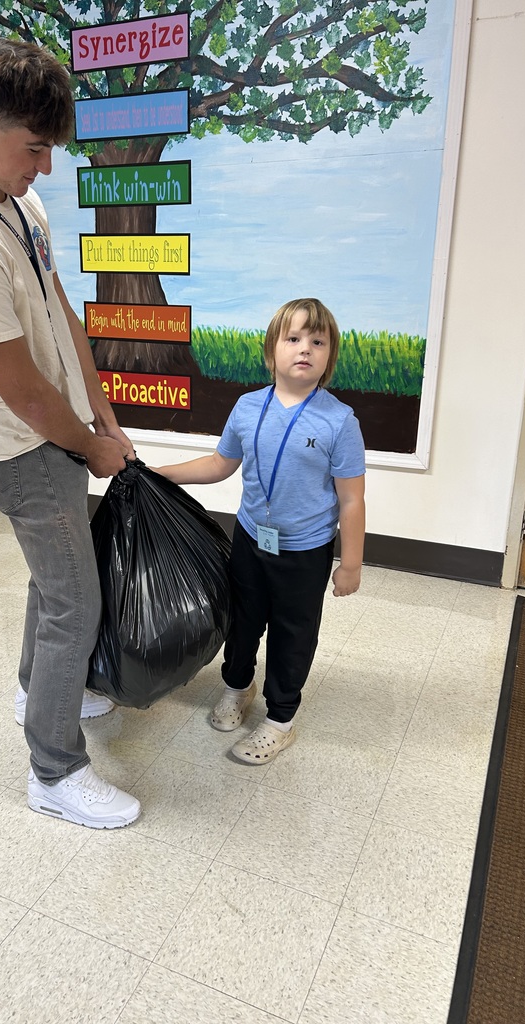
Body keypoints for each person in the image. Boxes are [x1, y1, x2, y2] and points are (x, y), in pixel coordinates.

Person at [0, 32, 141, 828]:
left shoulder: (17, 199)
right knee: (75, 604)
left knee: (56, 586)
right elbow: (21, 391)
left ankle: (37, 690)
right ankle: (54, 772)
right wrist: (91, 443)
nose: (45, 167)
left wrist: (102, 408)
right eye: (35, 149)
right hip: (21, 448)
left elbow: (59, 309)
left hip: (58, 429)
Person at [154, 298, 365, 763]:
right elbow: (219, 464)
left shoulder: (339, 421)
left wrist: (351, 564)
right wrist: (161, 474)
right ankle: (237, 686)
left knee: (293, 634)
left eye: (318, 341)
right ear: (272, 351)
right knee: (243, 620)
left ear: (329, 356)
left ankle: (280, 719)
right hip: (250, 540)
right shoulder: (248, 407)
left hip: (305, 553)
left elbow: (351, 500)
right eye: (293, 338)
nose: (305, 349)